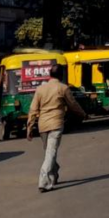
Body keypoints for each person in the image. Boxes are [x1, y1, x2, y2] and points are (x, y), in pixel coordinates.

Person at [26, 64, 86, 193]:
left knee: (49, 152)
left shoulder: (40, 89)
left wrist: (29, 127)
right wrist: (82, 114)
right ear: (61, 75)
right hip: (56, 124)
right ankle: (44, 182)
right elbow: (73, 104)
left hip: (43, 125)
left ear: (49, 74)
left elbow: (33, 109)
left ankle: (51, 176)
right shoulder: (63, 88)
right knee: (50, 153)